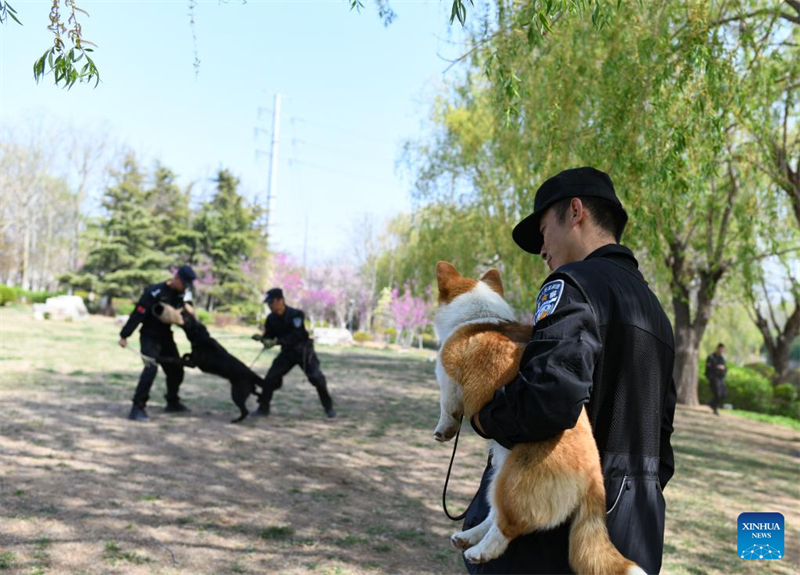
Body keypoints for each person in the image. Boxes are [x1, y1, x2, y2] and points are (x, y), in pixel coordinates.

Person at [465, 167, 677, 574]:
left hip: (553, 531)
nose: (542, 250)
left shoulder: (572, 285)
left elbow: (549, 397)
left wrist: (484, 418)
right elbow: (661, 443)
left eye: (543, 232)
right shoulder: (656, 312)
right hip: (636, 531)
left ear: (575, 211)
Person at [118, 265, 197, 422]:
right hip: (149, 336)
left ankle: (172, 402)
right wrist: (124, 335)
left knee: (176, 369)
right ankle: (137, 408)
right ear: (177, 278)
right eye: (185, 284)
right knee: (151, 369)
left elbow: (186, 315)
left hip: (165, 336)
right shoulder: (154, 292)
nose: (186, 288)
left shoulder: (181, 295)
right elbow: (138, 314)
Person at [252, 288, 336, 418]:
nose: (270, 305)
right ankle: (263, 409)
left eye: (272, 302)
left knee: (316, 378)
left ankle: (329, 407)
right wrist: (263, 339)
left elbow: (296, 335)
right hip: (287, 353)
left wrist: (276, 342)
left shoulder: (296, 315)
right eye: (268, 303)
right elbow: (269, 337)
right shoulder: (271, 319)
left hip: (304, 352)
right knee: (270, 378)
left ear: (281, 300)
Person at [705, 343, 728, 415]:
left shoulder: (722, 358)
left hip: (721, 378)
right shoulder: (711, 357)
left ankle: (711, 403)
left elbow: (725, 367)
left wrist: (724, 368)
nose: (721, 350)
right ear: (717, 348)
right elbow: (708, 367)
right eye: (720, 349)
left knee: (724, 394)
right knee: (718, 394)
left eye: (722, 349)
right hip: (714, 377)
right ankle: (715, 408)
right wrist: (717, 367)